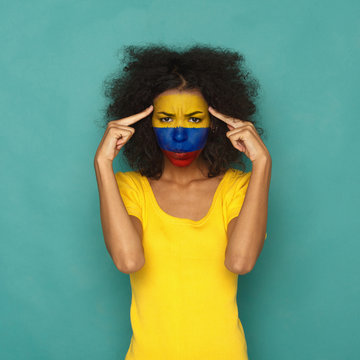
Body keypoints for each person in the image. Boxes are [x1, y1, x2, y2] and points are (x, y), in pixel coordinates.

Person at [94, 44, 271, 360]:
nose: (178, 137)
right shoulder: (128, 189)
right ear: (147, 123)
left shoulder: (237, 188)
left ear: (215, 122)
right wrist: (103, 165)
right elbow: (128, 261)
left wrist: (262, 164)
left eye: (193, 119)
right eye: (165, 119)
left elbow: (240, 262)